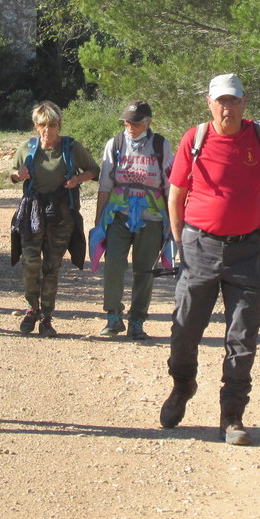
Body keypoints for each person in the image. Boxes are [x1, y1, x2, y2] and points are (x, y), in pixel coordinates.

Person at [159, 74, 260, 446]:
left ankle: (232, 415)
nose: (227, 108)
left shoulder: (259, 138)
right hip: (200, 247)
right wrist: (182, 243)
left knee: (243, 336)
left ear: (244, 103)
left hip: (246, 251)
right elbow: (176, 195)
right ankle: (182, 385)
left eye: (233, 101)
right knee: (184, 330)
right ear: (209, 103)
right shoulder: (194, 138)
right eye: (221, 101)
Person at [9, 101, 99, 338]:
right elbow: (13, 173)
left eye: (52, 124)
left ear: (59, 124)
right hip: (33, 213)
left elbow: (94, 170)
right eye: (42, 125)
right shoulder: (28, 148)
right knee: (30, 262)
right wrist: (19, 175)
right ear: (35, 126)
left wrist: (78, 180)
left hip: (61, 215)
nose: (47, 130)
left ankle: (46, 316)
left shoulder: (70, 147)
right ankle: (32, 308)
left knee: (52, 266)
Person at [93, 100, 174, 340]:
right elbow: (105, 184)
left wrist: (173, 223)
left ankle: (137, 320)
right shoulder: (115, 144)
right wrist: (99, 223)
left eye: (135, 122)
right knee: (114, 265)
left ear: (148, 122)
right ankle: (113, 317)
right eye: (127, 121)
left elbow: (170, 186)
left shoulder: (161, 145)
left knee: (145, 270)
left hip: (151, 216)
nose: (130, 125)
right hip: (120, 214)